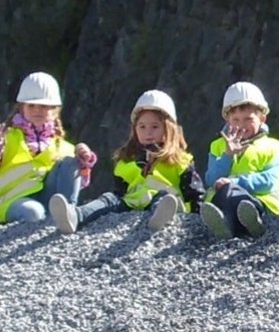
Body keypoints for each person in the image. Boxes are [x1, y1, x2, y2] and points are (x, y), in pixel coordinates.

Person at [49, 89, 205, 233]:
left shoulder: (180, 160)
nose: (148, 132)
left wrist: (197, 217)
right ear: (135, 129)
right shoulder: (127, 158)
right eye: (142, 127)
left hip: (167, 201)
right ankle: (76, 215)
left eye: (155, 127)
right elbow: (120, 191)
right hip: (133, 202)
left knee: (164, 198)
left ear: (168, 128)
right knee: (108, 198)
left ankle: (161, 217)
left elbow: (195, 193)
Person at [0, 71, 96, 224]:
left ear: (55, 110)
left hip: (49, 200)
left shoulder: (64, 147)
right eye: (31, 105)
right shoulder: (6, 136)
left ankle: (69, 214)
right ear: (21, 108)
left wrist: (83, 159)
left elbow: (81, 182)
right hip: (10, 200)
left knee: (71, 161)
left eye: (44, 106)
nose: (37, 110)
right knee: (34, 212)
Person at [201, 82, 279, 239]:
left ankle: (252, 220)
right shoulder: (218, 146)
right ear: (227, 120)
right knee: (226, 195)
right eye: (236, 120)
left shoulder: (274, 146)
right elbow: (211, 179)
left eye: (248, 119)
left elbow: (270, 180)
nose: (241, 125)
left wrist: (235, 182)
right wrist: (227, 155)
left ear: (262, 119)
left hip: (260, 202)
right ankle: (225, 225)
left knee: (238, 198)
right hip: (224, 200)